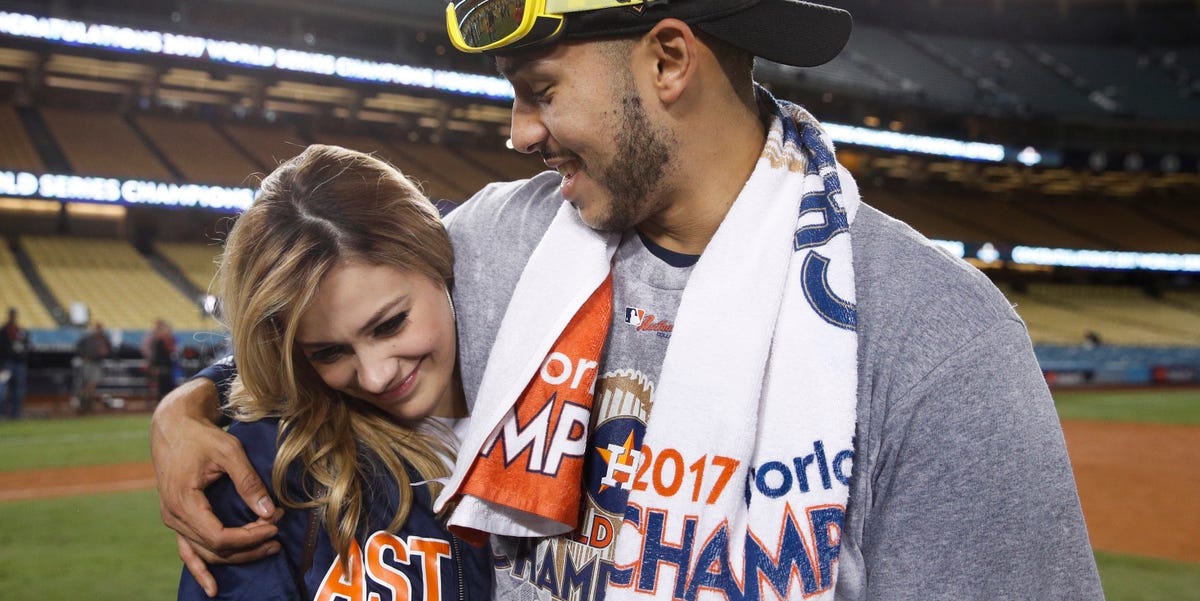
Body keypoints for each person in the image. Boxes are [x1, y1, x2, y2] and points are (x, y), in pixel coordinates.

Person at [152, 1, 1104, 599]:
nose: (519, 133)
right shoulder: (498, 243)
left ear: (668, 60)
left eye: (540, 90)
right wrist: (186, 410)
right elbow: (328, 325)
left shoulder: (935, 334)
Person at [175, 144, 492, 600]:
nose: (376, 376)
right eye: (328, 352)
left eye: (389, 324)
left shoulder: (558, 396)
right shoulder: (270, 467)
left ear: (438, 260)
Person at [74, 321, 110, 414]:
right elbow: (78, 347)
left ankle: (86, 405)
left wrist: (105, 352)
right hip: (88, 362)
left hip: (97, 363)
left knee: (92, 384)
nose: (99, 330)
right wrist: (83, 356)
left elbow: (109, 349)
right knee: (88, 385)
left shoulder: (103, 338)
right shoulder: (88, 338)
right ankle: (83, 404)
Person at [0, 308, 31, 419]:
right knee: (3, 390)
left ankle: (15, 414)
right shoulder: (4, 331)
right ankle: (2, 413)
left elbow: (27, 346)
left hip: (19, 364)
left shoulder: (21, 331)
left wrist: (23, 352)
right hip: (7, 364)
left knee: (18, 390)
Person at [142, 318, 178, 402]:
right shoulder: (156, 340)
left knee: (167, 386)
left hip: (166, 365)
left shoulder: (166, 339)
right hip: (160, 366)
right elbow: (154, 355)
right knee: (162, 387)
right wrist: (155, 366)